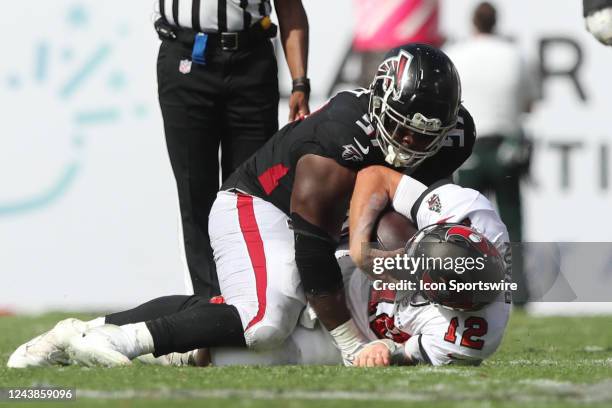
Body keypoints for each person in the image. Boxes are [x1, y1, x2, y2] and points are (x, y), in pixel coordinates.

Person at [7, 44, 476, 368]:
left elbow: (424, 208)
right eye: (403, 128)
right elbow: (312, 249)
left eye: (425, 136)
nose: (412, 144)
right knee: (265, 323)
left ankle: (83, 330)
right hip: (259, 206)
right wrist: (351, 344)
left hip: (329, 224)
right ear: (380, 103)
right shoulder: (338, 138)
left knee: (251, 314)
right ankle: (118, 339)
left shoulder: (454, 138)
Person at [155, 0, 310, 297]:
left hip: (251, 61)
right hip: (186, 57)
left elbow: (290, 8)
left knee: (252, 194)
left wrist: (300, 82)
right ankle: (206, 307)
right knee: (195, 192)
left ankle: (250, 300)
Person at [444, 2, 536, 305]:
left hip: (468, 149)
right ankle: (519, 293)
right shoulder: (514, 55)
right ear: (496, 23)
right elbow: (529, 103)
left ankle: (465, 288)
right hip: (505, 147)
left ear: (473, 23)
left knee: (466, 225)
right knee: (512, 223)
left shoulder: (457, 54)